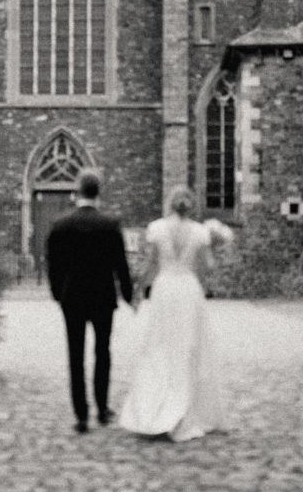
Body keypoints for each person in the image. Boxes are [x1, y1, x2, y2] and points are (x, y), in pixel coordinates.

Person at [119, 186, 229, 442]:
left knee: (160, 348)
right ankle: (186, 408)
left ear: (170, 204)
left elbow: (150, 266)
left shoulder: (156, 229)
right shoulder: (201, 233)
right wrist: (217, 246)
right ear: (190, 206)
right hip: (188, 291)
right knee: (189, 349)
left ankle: (156, 406)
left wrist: (138, 292)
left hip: (165, 289)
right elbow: (208, 268)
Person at [46, 169, 133, 433]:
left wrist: (58, 293)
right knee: (102, 352)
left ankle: (81, 414)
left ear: (77, 192)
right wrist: (128, 295)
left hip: (72, 297)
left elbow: (53, 265)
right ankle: (103, 408)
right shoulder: (110, 225)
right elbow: (121, 265)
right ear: (98, 193)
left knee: (75, 355)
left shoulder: (61, 225)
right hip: (103, 297)